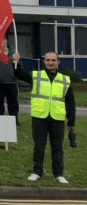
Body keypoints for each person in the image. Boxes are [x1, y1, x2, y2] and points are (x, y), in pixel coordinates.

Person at [14, 51, 75, 183]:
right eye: (48, 60)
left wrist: (71, 120)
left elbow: (70, 101)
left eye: (53, 60)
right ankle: (37, 172)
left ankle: (59, 174)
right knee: (39, 146)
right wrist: (17, 63)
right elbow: (19, 74)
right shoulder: (36, 76)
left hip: (57, 117)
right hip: (39, 116)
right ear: (44, 62)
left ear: (58, 62)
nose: (50, 63)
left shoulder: (65, 79)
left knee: (57, 147)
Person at [0, 39, 20, 126]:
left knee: (13, 102)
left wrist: (18, 63)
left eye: (1, 40)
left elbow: (20, 67)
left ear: (6, 41)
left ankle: (14, 120)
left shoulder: (14, 53)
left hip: (12, 82)